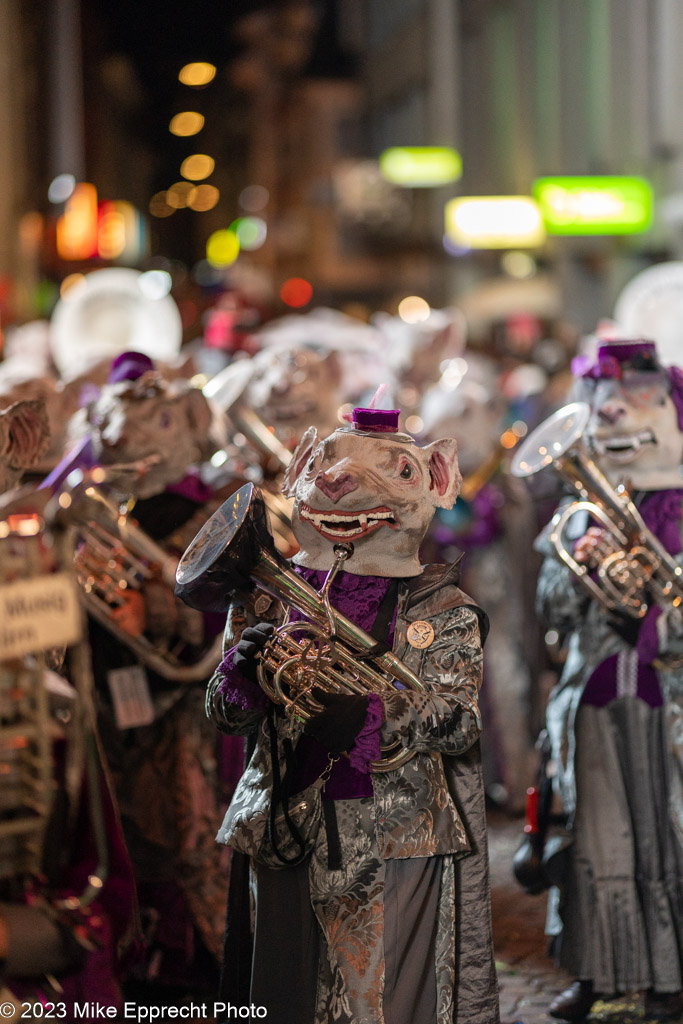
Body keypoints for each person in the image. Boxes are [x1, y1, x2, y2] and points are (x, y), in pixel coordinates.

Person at [190, 407, 500, 1024]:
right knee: (282, 992)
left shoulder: (445, 607)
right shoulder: (264, 595)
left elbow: (459, 723)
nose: (336, 484)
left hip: (395, 834)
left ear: (436, 481)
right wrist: (240, 677)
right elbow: (223, 716)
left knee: (377, 1000)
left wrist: (370, 715)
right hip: (280, 821)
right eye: (326, 465)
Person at [535, 340, 683, 1021]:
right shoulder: (580, 509)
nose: (615, 412)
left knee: (665, 835)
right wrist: (578, 569)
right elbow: (549, 614)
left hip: (666, 699)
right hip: (592, 692)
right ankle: (594, 972)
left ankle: (665, 975)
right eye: (602, 400)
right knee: (592, 837)